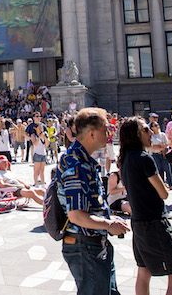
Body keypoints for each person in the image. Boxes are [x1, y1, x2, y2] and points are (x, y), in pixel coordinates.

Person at [56, 108, 130, 295]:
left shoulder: (84, 160)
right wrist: (108, 224)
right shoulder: (76, 165)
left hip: (93, 242)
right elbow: (76, 216)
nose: (109, 133)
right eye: (105, 129)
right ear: (91, 134)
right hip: (85, 245)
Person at [119, 117, 172, 295]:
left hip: (138, 222)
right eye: (146, 130)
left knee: (144, 271)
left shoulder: (124, 160)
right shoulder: (144, 159)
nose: (150, 133)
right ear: (135, 134)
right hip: (154, 223)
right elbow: (164, 193)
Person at [147, 122, 172, 190]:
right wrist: (159, 147)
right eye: (155, 126)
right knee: (159, 170)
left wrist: (159, 147)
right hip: (155, 155)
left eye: (157, 125)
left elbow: (166, 144)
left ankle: (170, 184)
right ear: (152, 128)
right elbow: (150, 147)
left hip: (163, 154)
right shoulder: (151, 136)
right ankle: (162, 185)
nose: (157, 127)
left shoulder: (162, 135)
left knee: (167, 170)